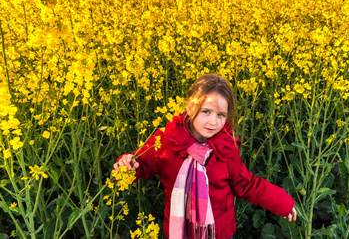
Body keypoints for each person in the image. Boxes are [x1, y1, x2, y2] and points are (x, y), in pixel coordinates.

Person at [113, 74, 297, 239]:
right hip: (180, 231)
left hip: (219, 232)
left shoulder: (226, 146)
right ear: (190, 107)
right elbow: (142, 164)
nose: (213, 122)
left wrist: (283, 203)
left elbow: (246, 184)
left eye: (221, 115)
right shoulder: (167, 140)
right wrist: (128, 163)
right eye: (206, 111)